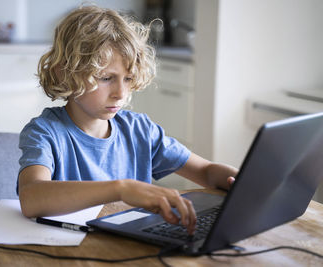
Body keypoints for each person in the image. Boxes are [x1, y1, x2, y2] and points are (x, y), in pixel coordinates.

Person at [17, 5, 237, 234]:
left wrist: (242, 180)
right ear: (66, 73)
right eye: (106, 78)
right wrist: (121, 189)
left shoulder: (139, 130)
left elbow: (206, 172)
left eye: (128, 78)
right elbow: (32, 197)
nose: (121, 93)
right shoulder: (45, 132)